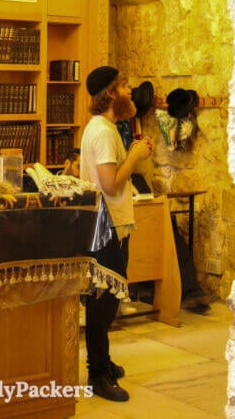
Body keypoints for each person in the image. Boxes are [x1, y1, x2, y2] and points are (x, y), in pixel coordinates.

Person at [80, 65, 154, 402]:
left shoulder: (106, 127)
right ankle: (97, 373)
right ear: (110, 93)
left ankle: (103, 361)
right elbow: (110, 183)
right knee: (103, 303)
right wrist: (136, 155)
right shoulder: (104, 132)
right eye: (123, 85)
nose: (129, 90)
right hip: (104, 224)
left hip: (111, 224)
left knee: (107, 301)